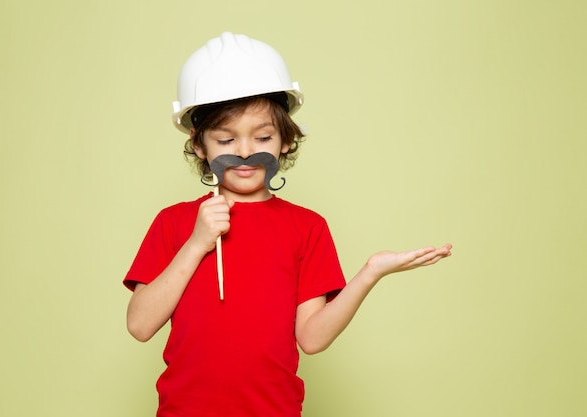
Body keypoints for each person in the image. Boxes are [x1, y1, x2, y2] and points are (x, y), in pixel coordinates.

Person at [123, 32, 452, 417]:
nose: (245, 152)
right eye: (226, 139)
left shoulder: (306, 227)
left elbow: (311, 339)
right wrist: (197, 243)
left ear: (284, 142)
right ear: (199, 145)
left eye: (262, 136)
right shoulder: (174, 222)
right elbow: (140, 325)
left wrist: (370, 272)